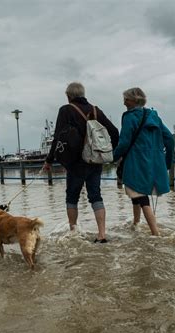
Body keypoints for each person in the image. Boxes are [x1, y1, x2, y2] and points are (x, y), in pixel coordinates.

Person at [43, 82, 119, 243]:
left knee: (72, 197)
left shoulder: (66, 110)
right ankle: (102, 234)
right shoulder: (96, 110)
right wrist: (111, 152)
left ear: (68, 96)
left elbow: (57, 137)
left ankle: (73, 232)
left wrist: (49, 160)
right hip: (94, 160)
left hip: (75, 162)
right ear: (83, 94)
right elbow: (114, 132)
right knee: (96, 195)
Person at [113, 87, 174, 236]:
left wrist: (112, 158)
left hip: (136, 163)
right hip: (155, 164)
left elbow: (124, 143)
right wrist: (166, 162)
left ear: (134, 100)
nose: (123, 102)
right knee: (135, 193)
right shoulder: (154, 116)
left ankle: (155, 233)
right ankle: (136, 224)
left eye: (126, 99)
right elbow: (170, 140)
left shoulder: (129, 117)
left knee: (140, 195)